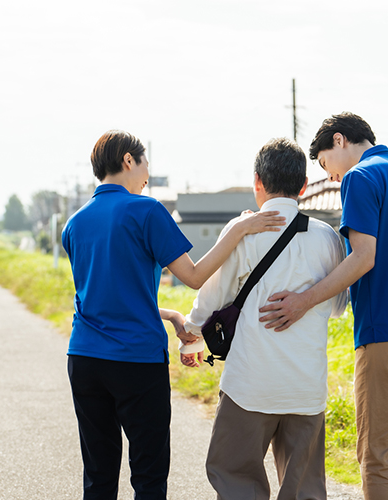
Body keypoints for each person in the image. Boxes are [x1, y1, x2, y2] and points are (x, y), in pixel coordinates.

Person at [61, 130, 285, 500]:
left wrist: (167, 315)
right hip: (135, 360)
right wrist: (238, 229)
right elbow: (195, 276)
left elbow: (105, 296)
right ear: (129, 161)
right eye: (145, 163)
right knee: (148, 476)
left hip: (84, 358)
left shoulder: (75, 223)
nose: (147, 174)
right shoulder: (145, 209)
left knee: (98, 474)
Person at [257, 113, 388, 500]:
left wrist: (303, 300)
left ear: (340, 140)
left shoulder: (361, 177)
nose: (331, 177)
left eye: (326, 163)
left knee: (376, 457)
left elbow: (363, 257)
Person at [179, 137, 347, 500]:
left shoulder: (243, 231)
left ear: (257, 181)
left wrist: (191, 336)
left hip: (249, 385)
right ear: (303, 186)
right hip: (305, 388)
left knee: (236, 478)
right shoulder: (328, 238)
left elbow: (210, 298)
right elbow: (336, 306)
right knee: (305, 490)